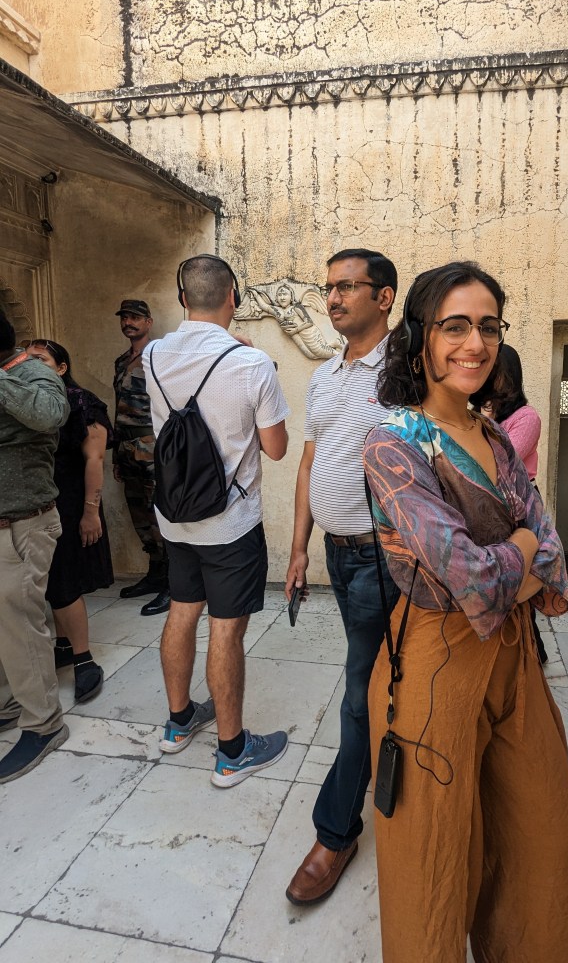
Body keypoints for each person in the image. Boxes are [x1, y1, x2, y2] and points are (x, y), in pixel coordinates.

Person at [362, 263, 568, 963]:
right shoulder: (394, 442)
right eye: (455, 326)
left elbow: (550, 553)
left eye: (488, 326)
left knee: (552, 838)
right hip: (435, 666)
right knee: (432, 867)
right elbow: (474, 577)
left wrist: (512, 560)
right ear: (420, 340)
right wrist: (520, 549)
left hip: (515, 661)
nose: (475, 343)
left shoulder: (493, 437)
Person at [144, 254, 290, 787]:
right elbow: (276, 449)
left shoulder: (152, 354)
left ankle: (179, 722)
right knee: (225, 631)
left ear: (182, 298)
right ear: (234, 297)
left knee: (182, 612)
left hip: (175, 517)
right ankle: (232, 752)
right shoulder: (253, 365)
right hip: (231, 523)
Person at [284, 248, 400, 906]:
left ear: (383, 297)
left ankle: (335, 832)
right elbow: (309, 463)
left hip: (387, 558)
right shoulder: (325, 375)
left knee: (360, 692)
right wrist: (298, 547)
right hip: (339, 554)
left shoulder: (406, 368)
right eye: (328, 287)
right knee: (376, 680)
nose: (332, 298)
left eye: (347, 287)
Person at [0, 312, 70, 783]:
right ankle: (9, 703)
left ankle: (43, 724)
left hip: (22, 525)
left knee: (23, 627)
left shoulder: (35, 374)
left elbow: (47, 415)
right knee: (5, 627)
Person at [26, 338, 114, 704]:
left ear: (61, 368)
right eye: (26, 359)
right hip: (40, 500)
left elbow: (95, 459)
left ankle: (83, 658)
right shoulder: (30, 402)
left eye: (41, 359)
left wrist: (90, 512)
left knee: (63, 580)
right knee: (49, 579)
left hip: (73, 500)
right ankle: (63, 644)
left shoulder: (81, 402)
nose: (31, 365)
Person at [471, 343, 548, 663]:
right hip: (492, 502)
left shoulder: (526, 417)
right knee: (498, 577)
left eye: (496, 372)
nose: (490, 378)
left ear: (511, 376)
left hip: (519, 503)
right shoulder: (480, 414)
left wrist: (484, 421)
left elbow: (500, 462)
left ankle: (532, 651)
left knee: (520, 577)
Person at [112, 299, 169, 616]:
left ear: (148, 322)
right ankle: (155, 573)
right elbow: (118, 406)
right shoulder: (122, 361)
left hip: (151, 445)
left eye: (135, 317)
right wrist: (115, 455)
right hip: (126, 446)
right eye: (124, 318)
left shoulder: (159, 357)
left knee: (159, 512)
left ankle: (173, 582)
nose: (128, 322)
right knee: (140, 514)